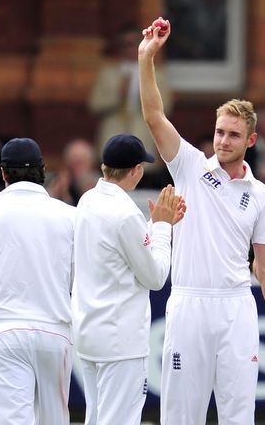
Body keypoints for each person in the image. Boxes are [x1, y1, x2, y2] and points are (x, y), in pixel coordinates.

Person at [138, 18, 265, 424]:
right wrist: (146, 58)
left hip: (237, 309)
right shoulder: (189, 167)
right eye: (220, 132)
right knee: (180, 415)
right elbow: (154, 116)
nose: (223, 141)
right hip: (188, 303)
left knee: (238, 414)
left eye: (233, 135)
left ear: (251, 141)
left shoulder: (261, 195)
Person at [0, 137, 76, 424]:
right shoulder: (70, 216)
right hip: (56, 332)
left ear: (2, 173)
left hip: (7, 330)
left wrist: (6, 274)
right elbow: (76, 281)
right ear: (42, 170)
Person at [71, 134, 182, 424]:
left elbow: (120, 247)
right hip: (120, 341)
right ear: (135, 170)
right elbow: (156, 276)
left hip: (89, 334)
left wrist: (156, 224)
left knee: (95, 418)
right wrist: (161, 228)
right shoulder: (125, 213)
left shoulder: (88, 200)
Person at [89, 24, 173, 187]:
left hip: (143, 138)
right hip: (112, 138)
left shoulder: (157, 73)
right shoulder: (108, 72)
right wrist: (118, 95)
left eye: (133, 43)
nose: (129, 49)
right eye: (125, 44)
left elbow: (166, 107)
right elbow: (94, 104)